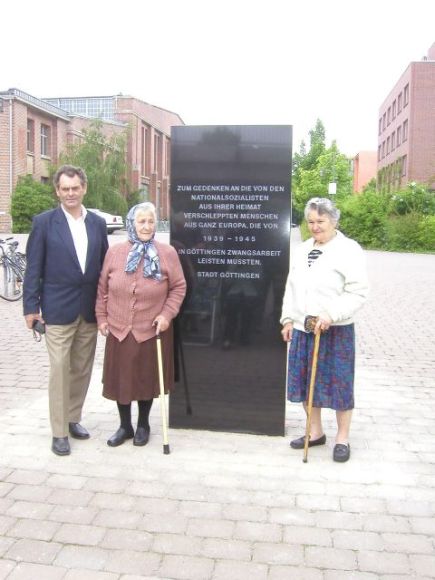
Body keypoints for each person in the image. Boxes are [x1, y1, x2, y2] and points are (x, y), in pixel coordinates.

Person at [23, 165, 108, 456]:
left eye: (75, 188)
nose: (70, 193)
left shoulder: (97, 223)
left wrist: (106, 305)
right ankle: (59, 432)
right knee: (60, 370)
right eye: (65, 189)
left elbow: (104, 267)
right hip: (57, 310)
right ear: (58, 191)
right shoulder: (44, 223)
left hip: (89, 309)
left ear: (84, 188)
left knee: (82, 369)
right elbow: (33, 267)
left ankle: (73, 418)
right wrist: (30, 307)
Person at [280, 197, 369, 463]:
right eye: (310, 222)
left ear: (333, 221)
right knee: (307, 382)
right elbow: (291, 287)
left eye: (321, 221)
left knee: (339, 384)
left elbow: (358, 291)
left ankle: (342, 438)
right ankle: (315, 432)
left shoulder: (349, 249)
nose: (315, 227)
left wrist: (332, 313)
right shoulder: (303, 248)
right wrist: (287, 319)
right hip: (304, 327)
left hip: (335, 330)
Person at [95, 202, 186, 447]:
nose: (146, 226)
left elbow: (178, 287)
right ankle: (125, 426)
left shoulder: (167, 253)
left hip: (151, 329)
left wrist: (167, 315)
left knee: (146, 380)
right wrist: (102, 318)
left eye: (150, 222)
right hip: (119, 326)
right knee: (122, 379)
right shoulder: (114, 252)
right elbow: (102, 287)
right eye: (141, 222)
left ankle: (144, 424)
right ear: (131, 224)